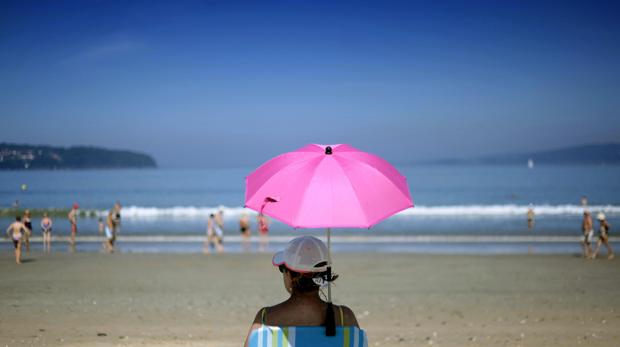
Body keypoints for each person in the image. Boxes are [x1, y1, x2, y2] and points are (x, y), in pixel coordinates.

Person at [244, 236, 359, 347]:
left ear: (289, 274)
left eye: (282, 269)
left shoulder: (265, 319)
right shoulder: (345, 317)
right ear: (324, 275)